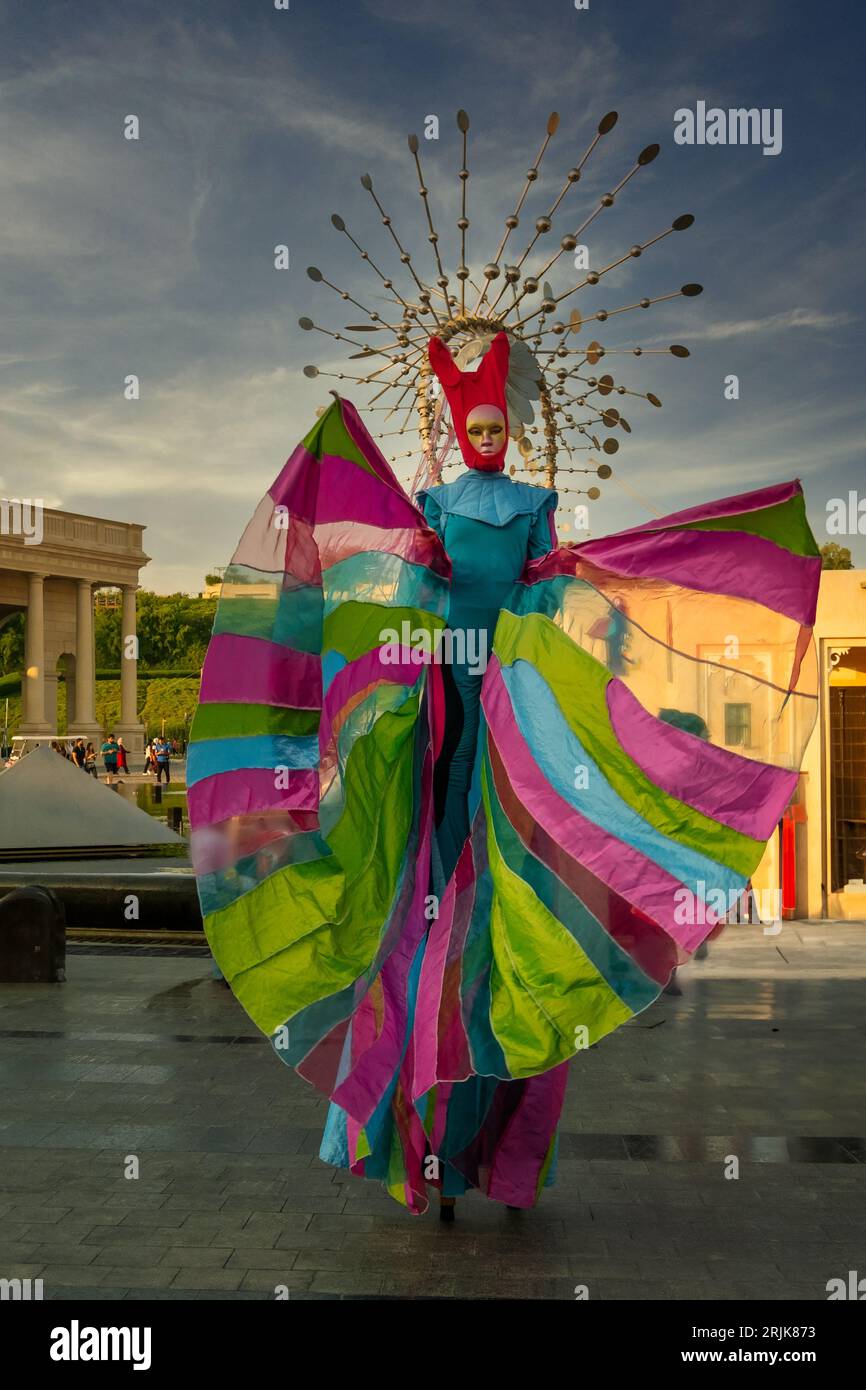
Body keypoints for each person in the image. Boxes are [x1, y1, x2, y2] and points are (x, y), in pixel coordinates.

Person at [189, 334, 820, 1218]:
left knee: (504, 909)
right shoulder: (437, 501)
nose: (487, 434)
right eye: (474, 422)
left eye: (497, 423)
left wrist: (561, 597)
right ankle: (423, 1111)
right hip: (440, 704)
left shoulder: (534, 501)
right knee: (429, 901)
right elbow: (408, 580)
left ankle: (492, 1133)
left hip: (508, 702)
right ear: (457, 423)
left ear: (511, 428)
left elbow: (553, 586)